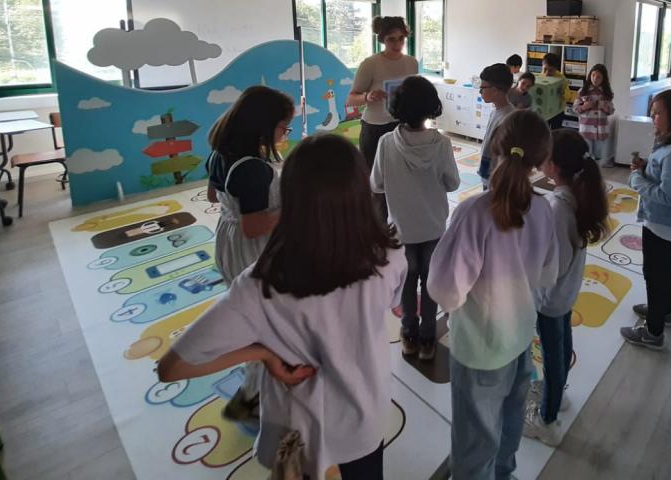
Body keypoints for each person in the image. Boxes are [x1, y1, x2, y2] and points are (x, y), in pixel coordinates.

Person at [160, 134, 406, 480]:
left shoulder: (259, 284)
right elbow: (394, 305)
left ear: (288, 197)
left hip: (296, 430)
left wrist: (263, 354)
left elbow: (172, 368)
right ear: (359, 191)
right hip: (365, 417)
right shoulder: (390, 255)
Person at [427, 110, 558, 479]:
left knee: (474, 439)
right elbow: (548, 275)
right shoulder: (543, 208)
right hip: (520, 338)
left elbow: (444, 288)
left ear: (495, 146)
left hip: (480, 349)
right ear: (542, 161)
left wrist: (459, 307)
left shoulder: (473, 212)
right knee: (508, 424)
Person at [204, 84, 294, 421]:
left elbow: (213, 196)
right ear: (264, 125)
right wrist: (294, 206)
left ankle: (255, 386)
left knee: (251, 316)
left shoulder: (220, 152)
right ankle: (252, 395)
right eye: (283, 127)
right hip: (252, 250)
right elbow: (254, 226)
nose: (284, 133)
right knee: (267, 322)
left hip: (227, 241)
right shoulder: (253, 167)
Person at [523, 129, 608, 446]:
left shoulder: (557, 208)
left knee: (552, 354)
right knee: (560, 344)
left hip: (551, 297)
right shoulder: (576, 195)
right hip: (566, 292)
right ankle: (556, 394)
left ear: (553, 166)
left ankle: (547, 420)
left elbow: (551, 265)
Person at [370, 76, 460, 361]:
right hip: (433, 227)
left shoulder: (386, 142)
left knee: (407, 283)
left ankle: (408, 335)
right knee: (431, 282)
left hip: (401, 229)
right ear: (431, 107)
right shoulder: (442, 144)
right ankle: (428, 339)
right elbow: (453, 183)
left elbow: (376, 184)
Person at [621, 89, 671, 350]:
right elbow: (665, 172)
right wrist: (647, 165)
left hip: (664, 223)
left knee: (655, 274)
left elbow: (668, 196)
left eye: (658, 113)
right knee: (665, 268)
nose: (653, 117)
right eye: (652, 112)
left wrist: (636, 178)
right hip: (669, 222)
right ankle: (663, 311)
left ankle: (653, 332)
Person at [346, 16, 419, 170]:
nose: (397, 44)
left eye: (401, 38)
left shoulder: (412, 63)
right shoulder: (370, 64)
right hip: (375, 128)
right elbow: (351, 99)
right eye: (391, 39)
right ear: (382, 39)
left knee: (399, 172)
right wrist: (367, 97)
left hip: (402, 125)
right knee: (373, 174)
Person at [477, 63, 515, 189]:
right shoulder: (495, 111)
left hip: (497, 180)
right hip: (489, 175)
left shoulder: (508, 118)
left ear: (494, 90)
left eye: (482, 87)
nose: (480, 91)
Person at [573, 63, 615, 167]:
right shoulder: (583, 91)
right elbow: (575, 108)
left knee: (599, 153)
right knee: (586, 152)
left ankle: (599, 166)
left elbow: (611, 111)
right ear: (590, 75)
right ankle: (587, 167)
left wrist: (604, 107)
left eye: (598, 77)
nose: (595, 79)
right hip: (586, 127)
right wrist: (584, 107)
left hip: (601, 128)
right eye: (593, 75)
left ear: (603, 79)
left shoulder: (606, 93)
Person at [541, 53, 570, 130]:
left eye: (550, 70)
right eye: (545, 69)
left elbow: (568, 96)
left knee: (556, 131)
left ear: (556, 69)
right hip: (544, 110)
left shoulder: (561, 78)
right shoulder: (540, 77)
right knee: (543, 130)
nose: (547, 73)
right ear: (542, 66)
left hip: (558, 111)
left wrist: (562, 93)